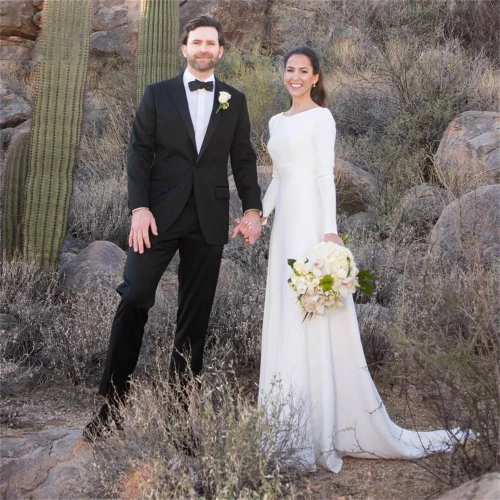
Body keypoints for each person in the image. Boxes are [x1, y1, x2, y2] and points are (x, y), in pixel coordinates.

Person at [256, 45, 470, 473]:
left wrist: (330, 231)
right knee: (286, 312)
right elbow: (278, 177)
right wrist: (260, 218)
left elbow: (323, 175)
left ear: (316, 77)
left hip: (312, 226)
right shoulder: (276, 122)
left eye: (303, 71)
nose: (295, 77)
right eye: (290, 70)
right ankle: (286, 425)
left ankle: (323, 429)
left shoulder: (322, 117)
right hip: (283, 231)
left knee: (316, 315)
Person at [84, 16, 263, 439]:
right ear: (184, 48)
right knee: (134, 298)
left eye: (211, 44)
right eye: (197, 42)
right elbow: (138, 153)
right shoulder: (157, 94)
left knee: (194, 319)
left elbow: (244, 159)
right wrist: (139, 208)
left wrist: (253, 209)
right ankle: (112, 408)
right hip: (157, 218)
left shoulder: (233, 101)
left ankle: (181, 419)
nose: (204, 49)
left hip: (209, 219)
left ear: (220, 52)